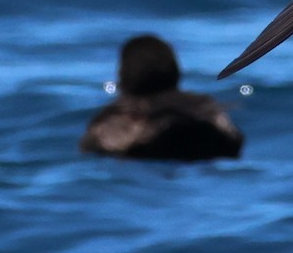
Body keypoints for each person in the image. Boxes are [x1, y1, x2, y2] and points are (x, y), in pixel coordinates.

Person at [80, 35, 244, 161]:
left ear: (124, 72)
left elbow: (96, 145)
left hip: (145, 143)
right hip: (207, 136)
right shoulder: (202, 103)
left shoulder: (119, 111)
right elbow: (233, 138)